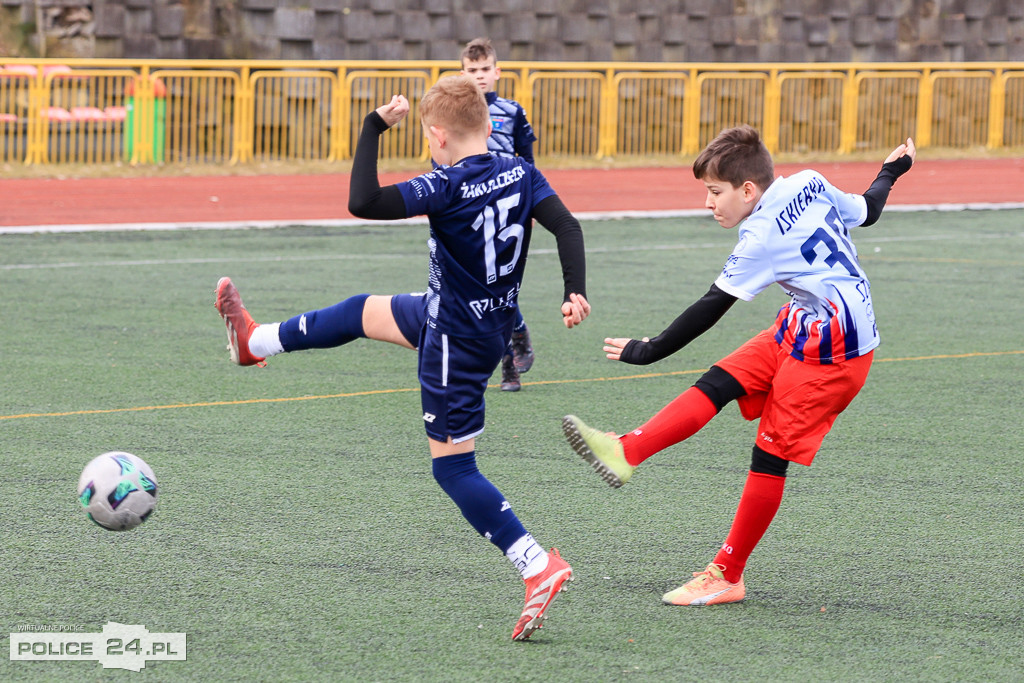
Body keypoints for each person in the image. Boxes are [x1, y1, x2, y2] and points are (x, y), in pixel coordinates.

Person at [215, 75, 590, 641]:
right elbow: (566, 224)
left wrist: (372, 128)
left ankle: (535, 563)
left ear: (437, 135)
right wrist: (573, 289)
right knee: (362, 311)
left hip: (453, 342)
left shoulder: (445, 184)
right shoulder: (522, 169)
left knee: (454, 468)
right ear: (488, 125)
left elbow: (362, 201)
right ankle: (254, 342)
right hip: (476, 322)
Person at [563, 125, 914, 607]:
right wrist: (892, 170)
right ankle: (628, 451)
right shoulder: (806, 181)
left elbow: (711, 306)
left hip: (837, 352)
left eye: (714, 192)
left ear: (748, 189)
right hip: (803, 322)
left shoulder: (761, 237)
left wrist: (648, 349)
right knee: (722, 380)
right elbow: (868, 210)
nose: (709, 203)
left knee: (769, 456)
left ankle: (728, 574)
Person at [461, 37, 539, 392]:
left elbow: (527, 161)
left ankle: (510, 364)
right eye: (471, 70)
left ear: (497, 72)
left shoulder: (512, 110)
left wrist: (533, 203)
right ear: (462, 73)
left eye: (484, 70)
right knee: (481, 285)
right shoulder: (456, 111)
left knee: (499, 282)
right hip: (470, 212)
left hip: (508, 211)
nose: (478, 76)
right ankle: (517, 334)